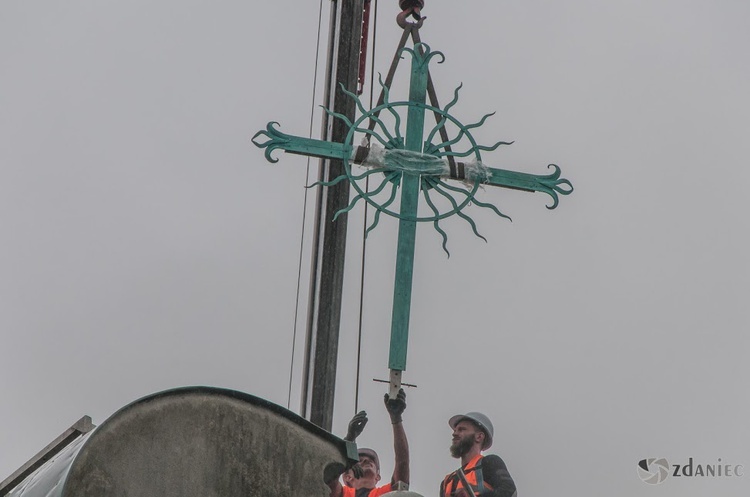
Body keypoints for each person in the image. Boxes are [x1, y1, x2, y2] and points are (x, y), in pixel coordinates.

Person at [326, 389, 409, 497]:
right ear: (347, 477)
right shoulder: (342, 494)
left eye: (371, 461)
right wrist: (349, 440)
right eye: (358, 461)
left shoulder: (385, 495)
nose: (366, 460)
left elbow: (402, 465)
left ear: (377, 477)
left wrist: (396, 419)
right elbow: (329, 473)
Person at [440, 412, 516, 497]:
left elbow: (509, 492)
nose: (454, 433)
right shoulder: (448, 481)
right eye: (455, 430)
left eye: (462, 429)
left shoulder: (489, 463)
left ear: (479, 437)